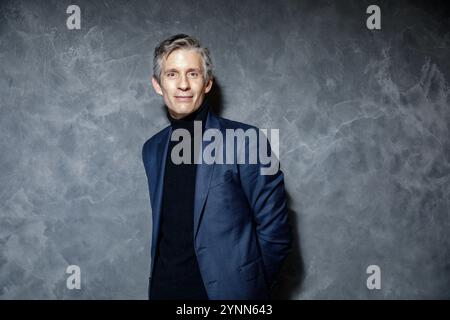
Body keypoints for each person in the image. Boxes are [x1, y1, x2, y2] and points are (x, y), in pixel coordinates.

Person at [142, 34, 292, 300]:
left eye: (193, 74)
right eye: (172, 74)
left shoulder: (247, 140)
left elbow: (276, 232)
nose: (183, 85)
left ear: (207, 83)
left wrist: (248, 289)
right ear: (157, 84)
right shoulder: (152, 149)